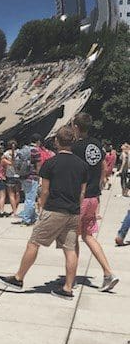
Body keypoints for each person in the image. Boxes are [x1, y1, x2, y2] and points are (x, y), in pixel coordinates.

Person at [0, 126, 89, 300]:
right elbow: (82, 193)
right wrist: (76, 210)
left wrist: (42, 209)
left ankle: (18, 278)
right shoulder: (81, 165)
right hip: (73, 212)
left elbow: (45, 191)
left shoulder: (51, 163)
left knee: (34, 242)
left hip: (54, 209)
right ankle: (68, 287)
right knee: (70, 249)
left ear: (56, 142)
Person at [71, 113, 119, 292]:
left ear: (76, 127)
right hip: (93, 197)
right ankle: (108, 273)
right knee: (88, 236)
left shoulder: (76, 148)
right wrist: (98, 190)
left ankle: (71, 277)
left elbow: (74, 174)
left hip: (80, 197)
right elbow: (103, 169)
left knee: (72, 238)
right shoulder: (98, 145)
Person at [13, 134, 42, 226]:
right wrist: (40, 176)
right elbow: (38, 166)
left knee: (28, 197)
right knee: (30, 199)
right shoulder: (35, 151)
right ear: (38, 141)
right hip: (32, 178)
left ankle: (32, 217)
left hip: (23, 177)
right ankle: (27, 219)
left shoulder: (24, 150)